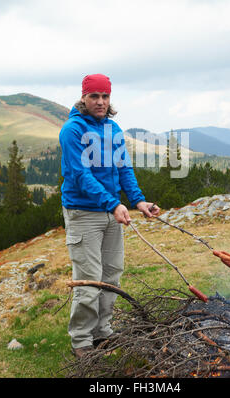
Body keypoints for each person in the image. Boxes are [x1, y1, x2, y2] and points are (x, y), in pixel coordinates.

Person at [59, 73, 160, 358]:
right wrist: (112, 204)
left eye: (105, 96)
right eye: (95, 96)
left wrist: (139, 201)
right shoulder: (72, 130)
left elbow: (124, 169)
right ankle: (81, 341)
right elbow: (80, 175)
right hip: (83, 213)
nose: (101, 102)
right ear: (84, 97)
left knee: (112, 275)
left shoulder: (113, 129)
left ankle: (103, 332)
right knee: (89, 279)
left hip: (110, 212)